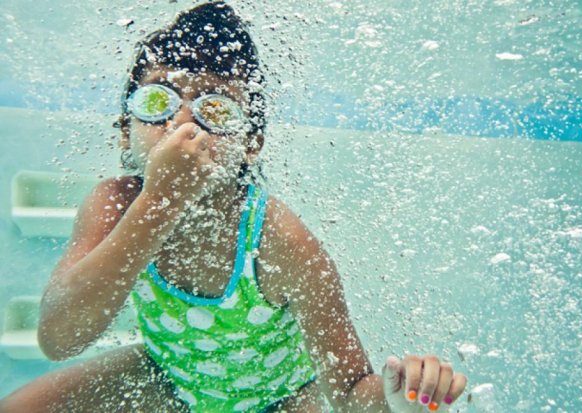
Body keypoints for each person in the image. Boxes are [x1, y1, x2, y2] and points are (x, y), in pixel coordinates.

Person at [0, 2, 467, 412]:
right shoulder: (115, 203)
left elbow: (347, 392)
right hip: (171, 375)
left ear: (251, 144)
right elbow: (59, 339)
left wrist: (396, 399)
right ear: (126, 131)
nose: (183, 123)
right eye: (158, 100)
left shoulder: (279, 241)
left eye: (217, 109)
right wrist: (161, 201)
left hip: (280, 398)